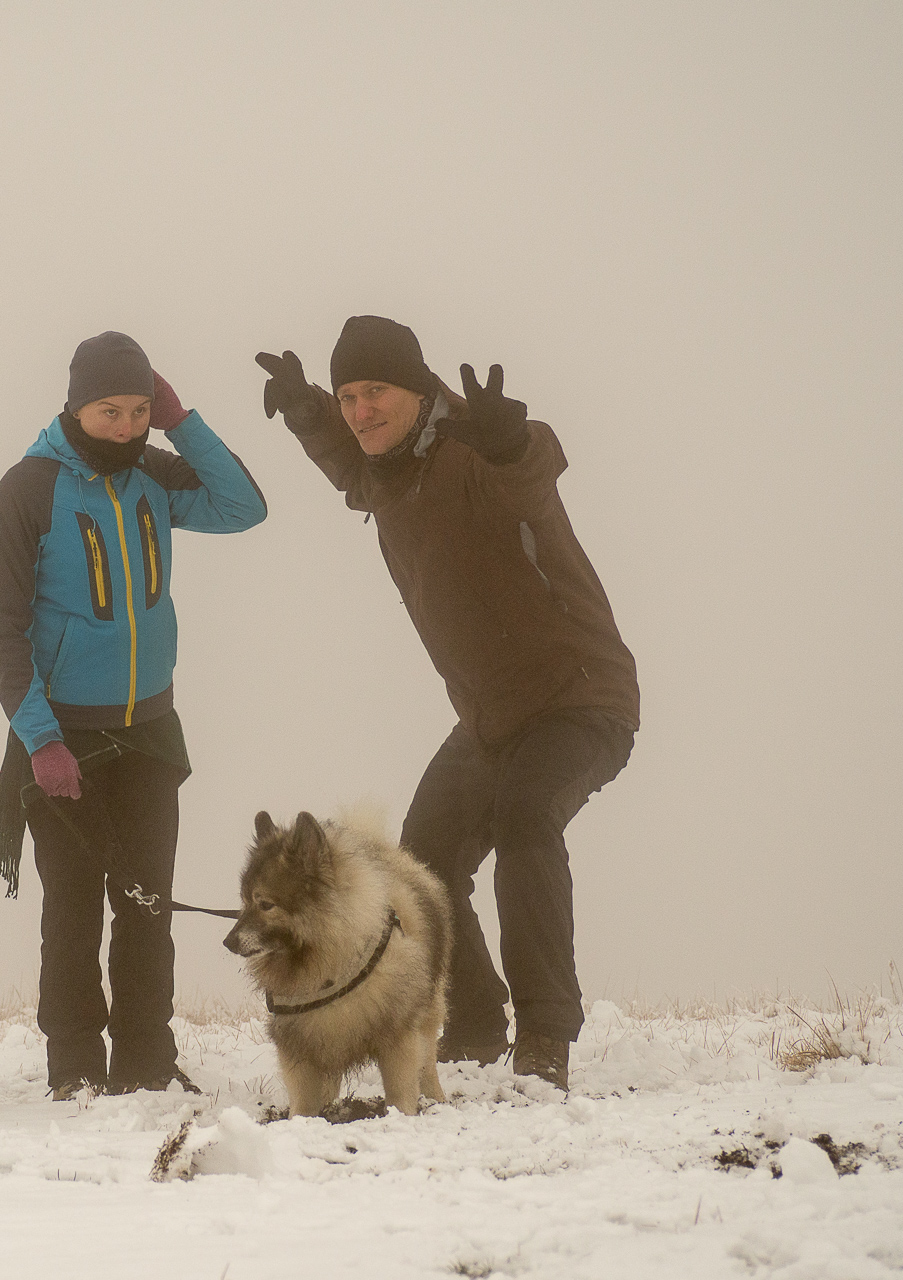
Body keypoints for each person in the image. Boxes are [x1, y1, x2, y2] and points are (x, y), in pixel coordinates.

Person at [255, 316, 638, 1092]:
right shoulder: (384, 472)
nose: (360, 409)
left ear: (420, 388)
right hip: (490, 716)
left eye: (377, 392)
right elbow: (347, 460)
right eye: (348, 394)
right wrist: (307, 414)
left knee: (527, 818)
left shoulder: (475, 449)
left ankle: (544, 1036)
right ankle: (471, 1023)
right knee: (426, 862)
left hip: (580, 696)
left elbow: (533, 467)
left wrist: (510, 440)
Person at [0, 331, 266, 1099]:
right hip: (63, 737)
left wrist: (183, 421)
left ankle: (145, 1065)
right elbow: (1, 632)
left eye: (140, 411)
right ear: (76, 405)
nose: (127, 427)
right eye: (112, 411)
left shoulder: (152, 473)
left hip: (150, 733)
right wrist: (40, 741)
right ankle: (73, 1068)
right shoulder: (28, 490)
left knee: (145, 911)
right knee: (71, 914)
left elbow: (244, 507)